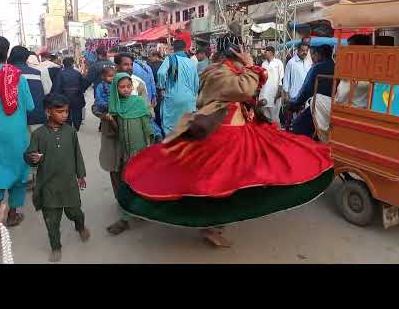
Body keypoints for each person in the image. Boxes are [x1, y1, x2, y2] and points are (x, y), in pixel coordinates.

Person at [116, 33, 334, 248]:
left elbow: (252, 88)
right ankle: (209, 225)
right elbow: (244, 89)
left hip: (237, 130)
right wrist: (250, 67)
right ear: (234, 52)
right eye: (242, 49)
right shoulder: (218, 71)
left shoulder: (229, 68)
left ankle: (214, 225)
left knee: (244, 176)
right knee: (212, 181)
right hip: (222, 134)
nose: (246, 53)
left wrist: (250, 72)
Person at [25, 93, 89, 262]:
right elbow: (29, 154)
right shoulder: (38, 134)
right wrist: (33, 157)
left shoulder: (70, 132)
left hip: (69, 184)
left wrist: (81, 175)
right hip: (49, 186)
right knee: (51, 221)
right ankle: (56, 247)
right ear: (48, 112)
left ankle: (80, 226)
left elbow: (77, 154)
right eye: (60, 112)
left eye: (66, 111)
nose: (65, 115)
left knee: (75, 212)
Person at [100, 73, 154, 235]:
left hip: (141, 151)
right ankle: (126, 217)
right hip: (125, 153)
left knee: (141, 182)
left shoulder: (138, 102)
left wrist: (150, 146)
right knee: (127, 183)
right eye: (122, 87)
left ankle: (140, 212)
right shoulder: (115, 107)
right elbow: (117, 133)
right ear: (116, 89)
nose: (126, 90)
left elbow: (146, 126)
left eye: (129, 86)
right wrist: (109, 120)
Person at [0, 37, 35, 227]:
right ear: (6, 53)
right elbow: (30, 106)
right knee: (18, 173)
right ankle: (12, 215)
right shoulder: (17, 76)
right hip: (15, 135)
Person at [310, 35, 371, 142]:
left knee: (316, 100)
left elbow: (341, 96)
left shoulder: (350, 69)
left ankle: (327, 138)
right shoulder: (373, 66)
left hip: (349, 110)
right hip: (368, 109)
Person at [288, 45, 335, 137]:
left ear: (319, 54)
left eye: (313, 54)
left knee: (297, 126)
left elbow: (306, 91)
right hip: (333, 107)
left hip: (317, 106)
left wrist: (294, 104)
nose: (312, 57)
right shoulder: (337, 67)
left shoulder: (316, 68)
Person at [157, 39, 199, 135]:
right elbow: (196, 83)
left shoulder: (170, 59)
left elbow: (161, 73)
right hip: (189, 98)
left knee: (171, 128)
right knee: (187, 126)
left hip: (173, 98)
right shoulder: (191, 62)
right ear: (185, 48)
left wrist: (161, 87)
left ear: (173, 48)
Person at [8, 46, 47, 134]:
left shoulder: (4, 74)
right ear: (27, 57)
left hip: (14, 120)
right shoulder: (38, 73)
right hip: (37, 116)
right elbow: (48, 93)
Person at [56, 57, 86, 131]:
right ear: (72, 64)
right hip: (77, 96)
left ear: (63, 64)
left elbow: (57, 86)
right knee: (77, 111)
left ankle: (68, 126)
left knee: (66, 111)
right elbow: (83, 85)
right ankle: (77, 126)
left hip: (64, 96)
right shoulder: (78, 73)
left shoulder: (60, 74)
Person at [257, 46, 284, 124]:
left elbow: (281, 78)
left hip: (274, 93)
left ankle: (277, 134)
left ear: (271, 53)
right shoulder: (263, 64)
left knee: (274, 117)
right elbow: (261, 79)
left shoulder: (278, 63)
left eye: (266, 52)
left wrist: (279, 91)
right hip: (264, 93)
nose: (264, 53)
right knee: (265, 116)